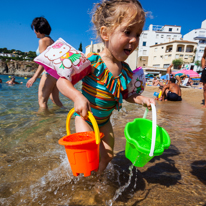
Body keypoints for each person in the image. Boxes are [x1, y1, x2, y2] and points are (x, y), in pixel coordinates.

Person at [56, 0, 155, 173]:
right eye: (127, 32)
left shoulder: (125, 71)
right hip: (86, 119)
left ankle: (97, 182)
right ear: (106, 33)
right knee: (91, 154)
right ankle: (84, 180)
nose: (134, 39)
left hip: (104, 122)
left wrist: (141, 99)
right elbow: (61, 81)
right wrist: (77, 97)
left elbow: (126, 95)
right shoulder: (92, 62)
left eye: (138, 34)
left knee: (108, 156)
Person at [26, 17, 65, 110]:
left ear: (39, 29)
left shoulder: (42, 41)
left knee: (42, 101)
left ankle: (42, 122)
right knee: (55, 100)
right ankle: (67, 116)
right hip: (56, 74)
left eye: (35, 28)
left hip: (48, 73)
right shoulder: (52, 41)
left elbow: (44, 62)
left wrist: (34, 77)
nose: (34, 31)